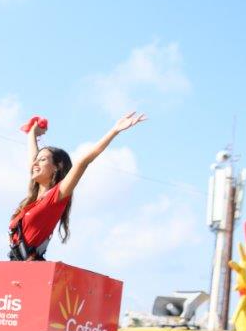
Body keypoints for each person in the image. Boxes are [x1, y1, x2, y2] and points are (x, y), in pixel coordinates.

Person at [8, 111, 147, 261]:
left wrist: (114, 131)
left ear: (56, 167)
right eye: (36, 160)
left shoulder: (56, 196)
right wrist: (32, 134)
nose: (35, 163)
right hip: (16, 267)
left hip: (31, 270)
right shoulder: (35, 199)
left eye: (42, 160)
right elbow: (33, 162)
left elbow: (83, 162)